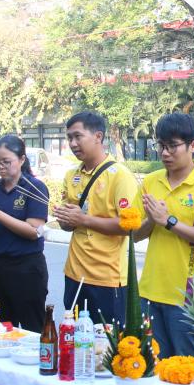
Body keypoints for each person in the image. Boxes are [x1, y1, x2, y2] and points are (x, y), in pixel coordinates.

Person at [135, 113, 194, 357]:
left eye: (172, 146)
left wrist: (169, 221)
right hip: (148, 291)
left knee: (186, 365)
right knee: (152, 364)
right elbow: (133, 235)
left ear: (193, 145)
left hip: (186, 296)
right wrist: (151, 220)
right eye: (161, 145)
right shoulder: (150, 182)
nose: (165, 153)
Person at [52, 111, 139, 326]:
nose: (73, 143)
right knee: (72, 335)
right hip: (74, 273)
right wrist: (64, 218)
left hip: (107, 278)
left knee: (106, 340)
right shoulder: (71, 175)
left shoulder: (120, 176)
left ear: (98, 136)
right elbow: (68, 226)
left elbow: (129, 226)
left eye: (78, 136)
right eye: (69, 138)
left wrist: (83, 219)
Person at [0, 135, 50, 332]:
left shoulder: (35, 188)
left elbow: (34, 231)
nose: (1, 166)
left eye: (6, 161)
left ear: (22, 159)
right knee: (0, 328)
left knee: (32, 328)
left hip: (26, 268)